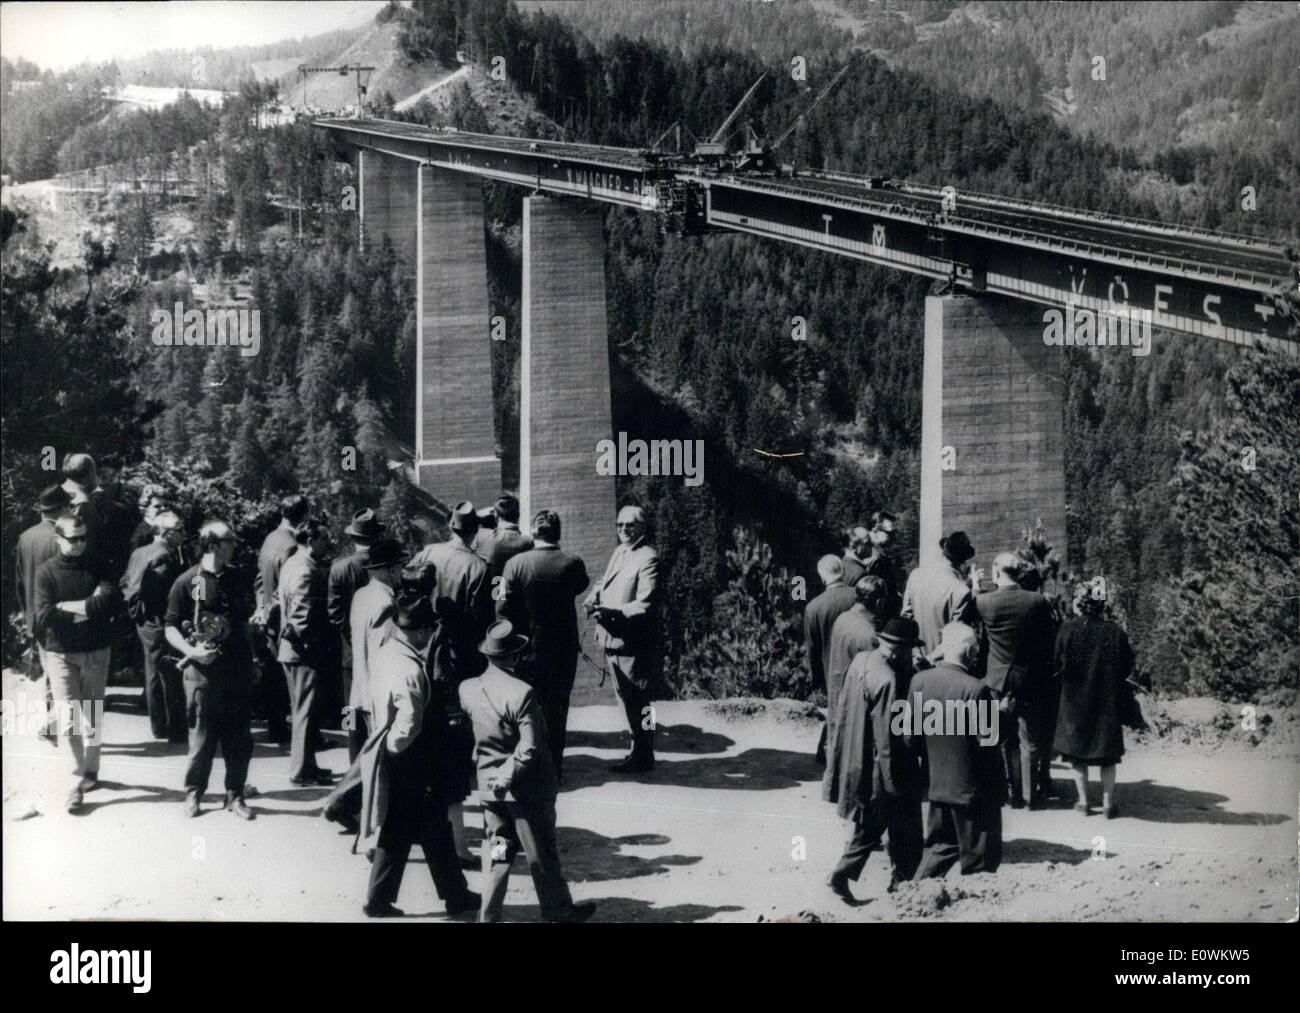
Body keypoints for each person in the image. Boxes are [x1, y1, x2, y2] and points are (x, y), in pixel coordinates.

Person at [458, 620, 596, 924]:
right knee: (541, 854)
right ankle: (558, 911)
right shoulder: (523, 693)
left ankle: (488, 916)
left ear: (488, 654)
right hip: (527, 793)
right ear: (515, 656)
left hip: (491, 793)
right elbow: (529, 746)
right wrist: (507, 775)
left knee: (497, 855)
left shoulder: (467, 689)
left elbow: (473, 728)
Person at [357, 595, 479, 918]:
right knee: (420, 827)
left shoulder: (386, 654)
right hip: (412, 760)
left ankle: (451, 895)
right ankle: (448, 896)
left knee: (420, 828)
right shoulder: (410, 668)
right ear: (422, 631)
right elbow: (410, 721)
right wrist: (397, 748)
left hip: (398, 758)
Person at [824, 617, 925, 902]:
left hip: (858, 759)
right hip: (885, 768)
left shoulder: (862, 661)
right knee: (906, 828)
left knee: (871, 825)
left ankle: (843, 873)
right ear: (901, 650)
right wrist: (894, 784)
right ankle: (900, 886)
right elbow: (887, 738)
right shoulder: (888, 680)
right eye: (910, 650)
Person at [165, 520, 256, 819]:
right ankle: (194, 793)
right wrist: (191, 651)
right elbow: (170, 626)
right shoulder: (187, 581)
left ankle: (235, 795)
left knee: (239, 738)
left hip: (237, 669)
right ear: (213, 544)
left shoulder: (238, 577)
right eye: (230, 540)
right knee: (201, 737)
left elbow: (244, 622)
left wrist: (254, 658)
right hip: (202, 673)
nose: (235, 545)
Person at [33, 516, 123, 812]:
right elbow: (44, 615)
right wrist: (88, 608)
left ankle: (91, 772)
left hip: (96, 650)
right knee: (68, 716)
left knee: (92, 715)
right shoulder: (46, 572)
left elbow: (111, 603)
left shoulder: (100, 565)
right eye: (73, 539)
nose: (80, 543)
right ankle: (75, 781)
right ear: (58, 538)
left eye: (83, 537)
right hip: (60, 652)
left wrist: (66, 607)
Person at [321, 538, 409, 831]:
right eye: (400, 566)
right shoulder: (386, 604)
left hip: (359, 684)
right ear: (389, 569)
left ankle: (349, 806)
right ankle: (346, 804)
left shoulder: (361, 595)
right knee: (378, 753)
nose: (402, 572)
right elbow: (387, 654)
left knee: (370, 749)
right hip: (379, 692)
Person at [497, 509, 590, 780]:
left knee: (527, 711)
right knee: (557, 711)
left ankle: (528, 768)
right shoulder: (572, 563)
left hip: (526, 652)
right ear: (558, 533)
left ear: (533, 533)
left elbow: (501, 607)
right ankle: (553, 770)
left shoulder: (514, 564)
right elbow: (580, 586)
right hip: (562, 652)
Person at [910, 622, 1004, 877]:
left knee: (939, 849)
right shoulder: (977, 689)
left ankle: (913, 896)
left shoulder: (919, 681)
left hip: (937, 785)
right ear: (970, 651)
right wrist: (1002, 716)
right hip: (973, 791)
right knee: (980, 862)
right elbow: (988, 744)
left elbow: (910, 736)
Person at [974, 552, 1058, 808]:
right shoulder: (1037, 601)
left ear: (996, 572)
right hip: (1029, 678)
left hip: (996, 678)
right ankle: (1031, 795)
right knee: (1028, 739)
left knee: (1001, 737)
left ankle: (1010, 792)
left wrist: (975, 587)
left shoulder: (984, 602)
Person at [583, 505, 660, 774]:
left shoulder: (648, 558)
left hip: (633, 643)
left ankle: (646, 752)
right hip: (612, 638)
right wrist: (594, 595)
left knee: (641, 701)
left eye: (630, 525)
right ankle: (638, 750)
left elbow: (645, 604)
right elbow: (605, 581)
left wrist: (612, 612)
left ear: (642, 527)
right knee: (626, 701)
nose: (624, 530)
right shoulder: (620, 551)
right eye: (620, 525)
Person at [1053, 586, 1135, 819]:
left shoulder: (1067, 630)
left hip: (1075, 701)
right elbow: (1127, 666)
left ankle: (1083, 802)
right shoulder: (1115, 632)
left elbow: (1056, 664)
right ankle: (1108, 804)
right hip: (1107, 701)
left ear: (1079, 604)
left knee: (1077, 755)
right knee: (1107, 755)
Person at [277, 518, 336, 786]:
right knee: (305, 712)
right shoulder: (305, 570)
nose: (329, 543)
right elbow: (301, 617)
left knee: (305, 710)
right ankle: (301, 771)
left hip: (293, 651)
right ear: (311, 541)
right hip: (304, 653)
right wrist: (314, 649)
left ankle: (308, 766)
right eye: (325, 539)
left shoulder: (293, 563)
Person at [121, 510, 186, 742]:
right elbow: (163, 593)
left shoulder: (139, 552)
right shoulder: (164, 556)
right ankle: (173, 727)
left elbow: (126, 581)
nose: (184, 534)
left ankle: (160, 726)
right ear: (166, 533)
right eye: (179, 530)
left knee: (153, 670)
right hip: (158, 620)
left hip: (143, 620)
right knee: (168, 672)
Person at [412, 500, 493, 684]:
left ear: (451, 527)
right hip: (459, 655)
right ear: (476, 530)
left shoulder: (427, 552)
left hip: (422, 645)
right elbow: (480, 619)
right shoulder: (479, 567)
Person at [15, 484, 73, 740]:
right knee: (64, 671)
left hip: (36, 615)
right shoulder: (63, 538)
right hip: (61, 615)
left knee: (52, 668)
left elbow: (20, 581)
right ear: (61, 509)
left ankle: (53, 722)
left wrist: (27, 613)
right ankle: (57, 723)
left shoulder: (25, 537)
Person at [254, 495, 308, 746]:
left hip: (269, 617)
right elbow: (288, 587)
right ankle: (299, 736)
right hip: (282, 619)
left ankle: (277, 728)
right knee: (293, 682)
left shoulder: (269, 539)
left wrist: (260, 608)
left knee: (273, 677)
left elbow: (260, 579)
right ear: (304, 516)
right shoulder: (292, 545)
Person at [328, 508, 384, 733]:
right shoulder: (384, 566)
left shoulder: (339, 568)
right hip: (381, 646)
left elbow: (334, 613)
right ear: (377, 536)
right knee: (378, 704)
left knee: (350, 702)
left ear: (352, 538)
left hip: (350, 651)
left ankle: (351, 743)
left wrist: (352, 637)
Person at [824, 575, 889, 753]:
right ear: (878, 602)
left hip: (838, 699)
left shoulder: (843, 619)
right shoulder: (869, 636)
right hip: (855, 710)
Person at [901, 530, 978, 659]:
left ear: (943, 551)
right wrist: (929, 659)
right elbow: (956, 637)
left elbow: (905, 619)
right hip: (942, 661)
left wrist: (916, 653)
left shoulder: (916, 575)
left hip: (914, 659)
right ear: (963, 561)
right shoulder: (961, 590)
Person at [472, 493, 534, 576]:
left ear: (496, 516)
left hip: (494, 584)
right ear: (518, 515)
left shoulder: (483, 540)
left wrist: (479, 517)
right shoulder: (529, 542)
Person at [60, 453, 103, 567]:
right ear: (89, 474)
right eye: (94, 473)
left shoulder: (57, 492)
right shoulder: (83, 504)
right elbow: (87, 547)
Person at [863, 511, 901, 618]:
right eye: (890, 533)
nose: (894, 537)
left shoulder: (879, 553)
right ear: (875, 531)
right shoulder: (874, 557)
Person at [128, 486, 169, 554]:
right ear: (145, 509)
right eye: (157, 506)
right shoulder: (140, 537)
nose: (163, 509)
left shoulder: (165, 531)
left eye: (165, 505)